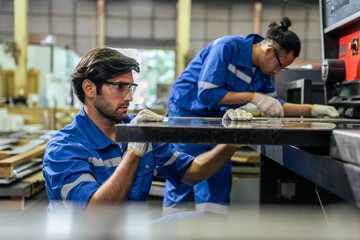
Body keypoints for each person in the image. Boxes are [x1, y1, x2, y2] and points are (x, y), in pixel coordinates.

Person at [163, 17, 339, 215]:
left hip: (219, 119)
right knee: (183, 175)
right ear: (269, 51)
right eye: (280, 65)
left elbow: (275, 106)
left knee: (218, 175)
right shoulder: (227, 47)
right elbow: (206, 94)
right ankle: (169, 225)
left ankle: (212, 230)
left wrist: (313, 109)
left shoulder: (262, 72)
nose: (278, 71)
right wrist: (254, 97)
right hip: (188, 112)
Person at [42, 48, 244, 214]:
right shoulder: (64, 147)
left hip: (130, 231)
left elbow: (190, 172)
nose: (129, 97)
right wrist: (134, 151)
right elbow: (95, 216)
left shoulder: (137, 129)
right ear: (89, 88)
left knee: (200, 223)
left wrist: (231, 141)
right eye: (120, 87)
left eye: (130, 87)